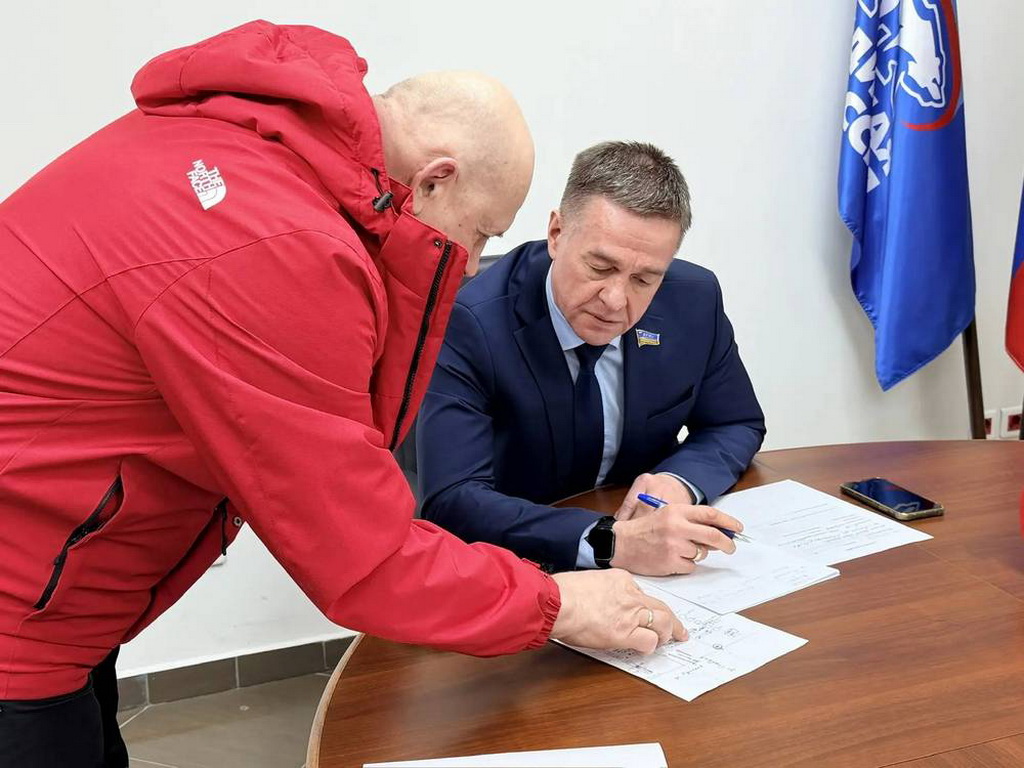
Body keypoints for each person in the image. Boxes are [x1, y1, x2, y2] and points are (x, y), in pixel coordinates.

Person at [0, 23, 685, 768]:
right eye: (482, 233)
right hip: (21, 611)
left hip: (60, 594)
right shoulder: (276, 242)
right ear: (435, 180)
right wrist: (558, 604)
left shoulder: (240, 147)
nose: (471, 265)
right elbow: (363, 556)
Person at [417, 141, 766, 576]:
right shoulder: (468, 321)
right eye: (600, 268)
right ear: (557, 233)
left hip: (652, 562)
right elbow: (452, 498)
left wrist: (678, 481)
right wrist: (608, 541)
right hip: (517, 565)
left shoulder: (694, 301)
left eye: (644, 279)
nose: (616, 300)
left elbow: (734, 422)